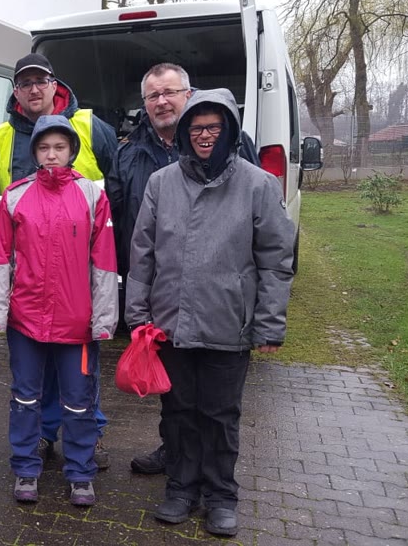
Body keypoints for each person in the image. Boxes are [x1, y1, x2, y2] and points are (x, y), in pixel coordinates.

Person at [125, 88, 294, 536]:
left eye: (214, 127)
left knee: (220, 416)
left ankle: (221, 496)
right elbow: (143, 254)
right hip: (170, 323)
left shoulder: (259, 184)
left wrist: (269, 323)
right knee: (178, 411)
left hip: (228, 323)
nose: (204, 135)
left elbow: (276, 260)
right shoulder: (161, 183)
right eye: (196, 127)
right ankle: (181, 488)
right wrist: (137, 314)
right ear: (184, 132)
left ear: (230, 130)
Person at [116, 64, 259, 475]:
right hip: (163, 293)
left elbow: (258, 225)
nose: (162, 102)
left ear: (188, 94)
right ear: (145, 104)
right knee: (174, 393)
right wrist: (132, 295)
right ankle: (174, 453)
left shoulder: (235, 145)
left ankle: (210, 474)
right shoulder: (128, 151)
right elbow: (122, 220)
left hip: (218, 298)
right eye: (153, 96)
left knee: (214, 401)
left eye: (170, 92)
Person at [0, 52, 118, 468]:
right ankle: (39, 442)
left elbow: (117, 183)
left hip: (76, 293)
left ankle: (88, 444)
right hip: (30, 296)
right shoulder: (3, 139)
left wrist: (105, 309)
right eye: (25, 83)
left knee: (80, 385)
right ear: (16, 91)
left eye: (40, 81)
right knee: (30, 383)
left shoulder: (91, 128)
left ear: (54, 84)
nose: (33, 89)